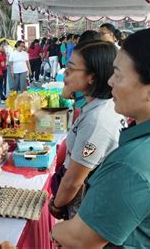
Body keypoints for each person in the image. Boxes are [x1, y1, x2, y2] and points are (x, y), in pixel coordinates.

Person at [51, 26, 150, 248]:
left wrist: (56, 227)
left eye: (118, 75)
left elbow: (79, 237)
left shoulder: (134, 163)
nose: (110, 82)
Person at [49, 40, 124, 220]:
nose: (65, 73)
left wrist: (57, 205)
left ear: (92, 77)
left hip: (84, 208)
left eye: (72, 68)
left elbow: (74, 181)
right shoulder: (96, 107)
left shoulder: (96, 121)